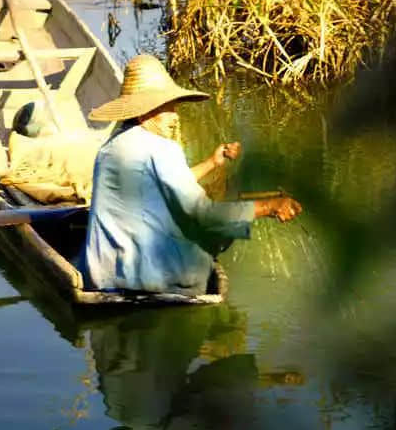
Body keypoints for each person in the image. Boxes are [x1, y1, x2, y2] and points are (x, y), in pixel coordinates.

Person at [80, 54, 302, 295]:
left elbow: (160, 182)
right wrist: (268, 207)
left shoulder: (111, 145)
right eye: (168, 108)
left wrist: (211, 163)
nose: (175, 116)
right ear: (145, 114)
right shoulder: (162, 148)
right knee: (214, 226)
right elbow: (201, 213)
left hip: (102, 276)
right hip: (147, 282)